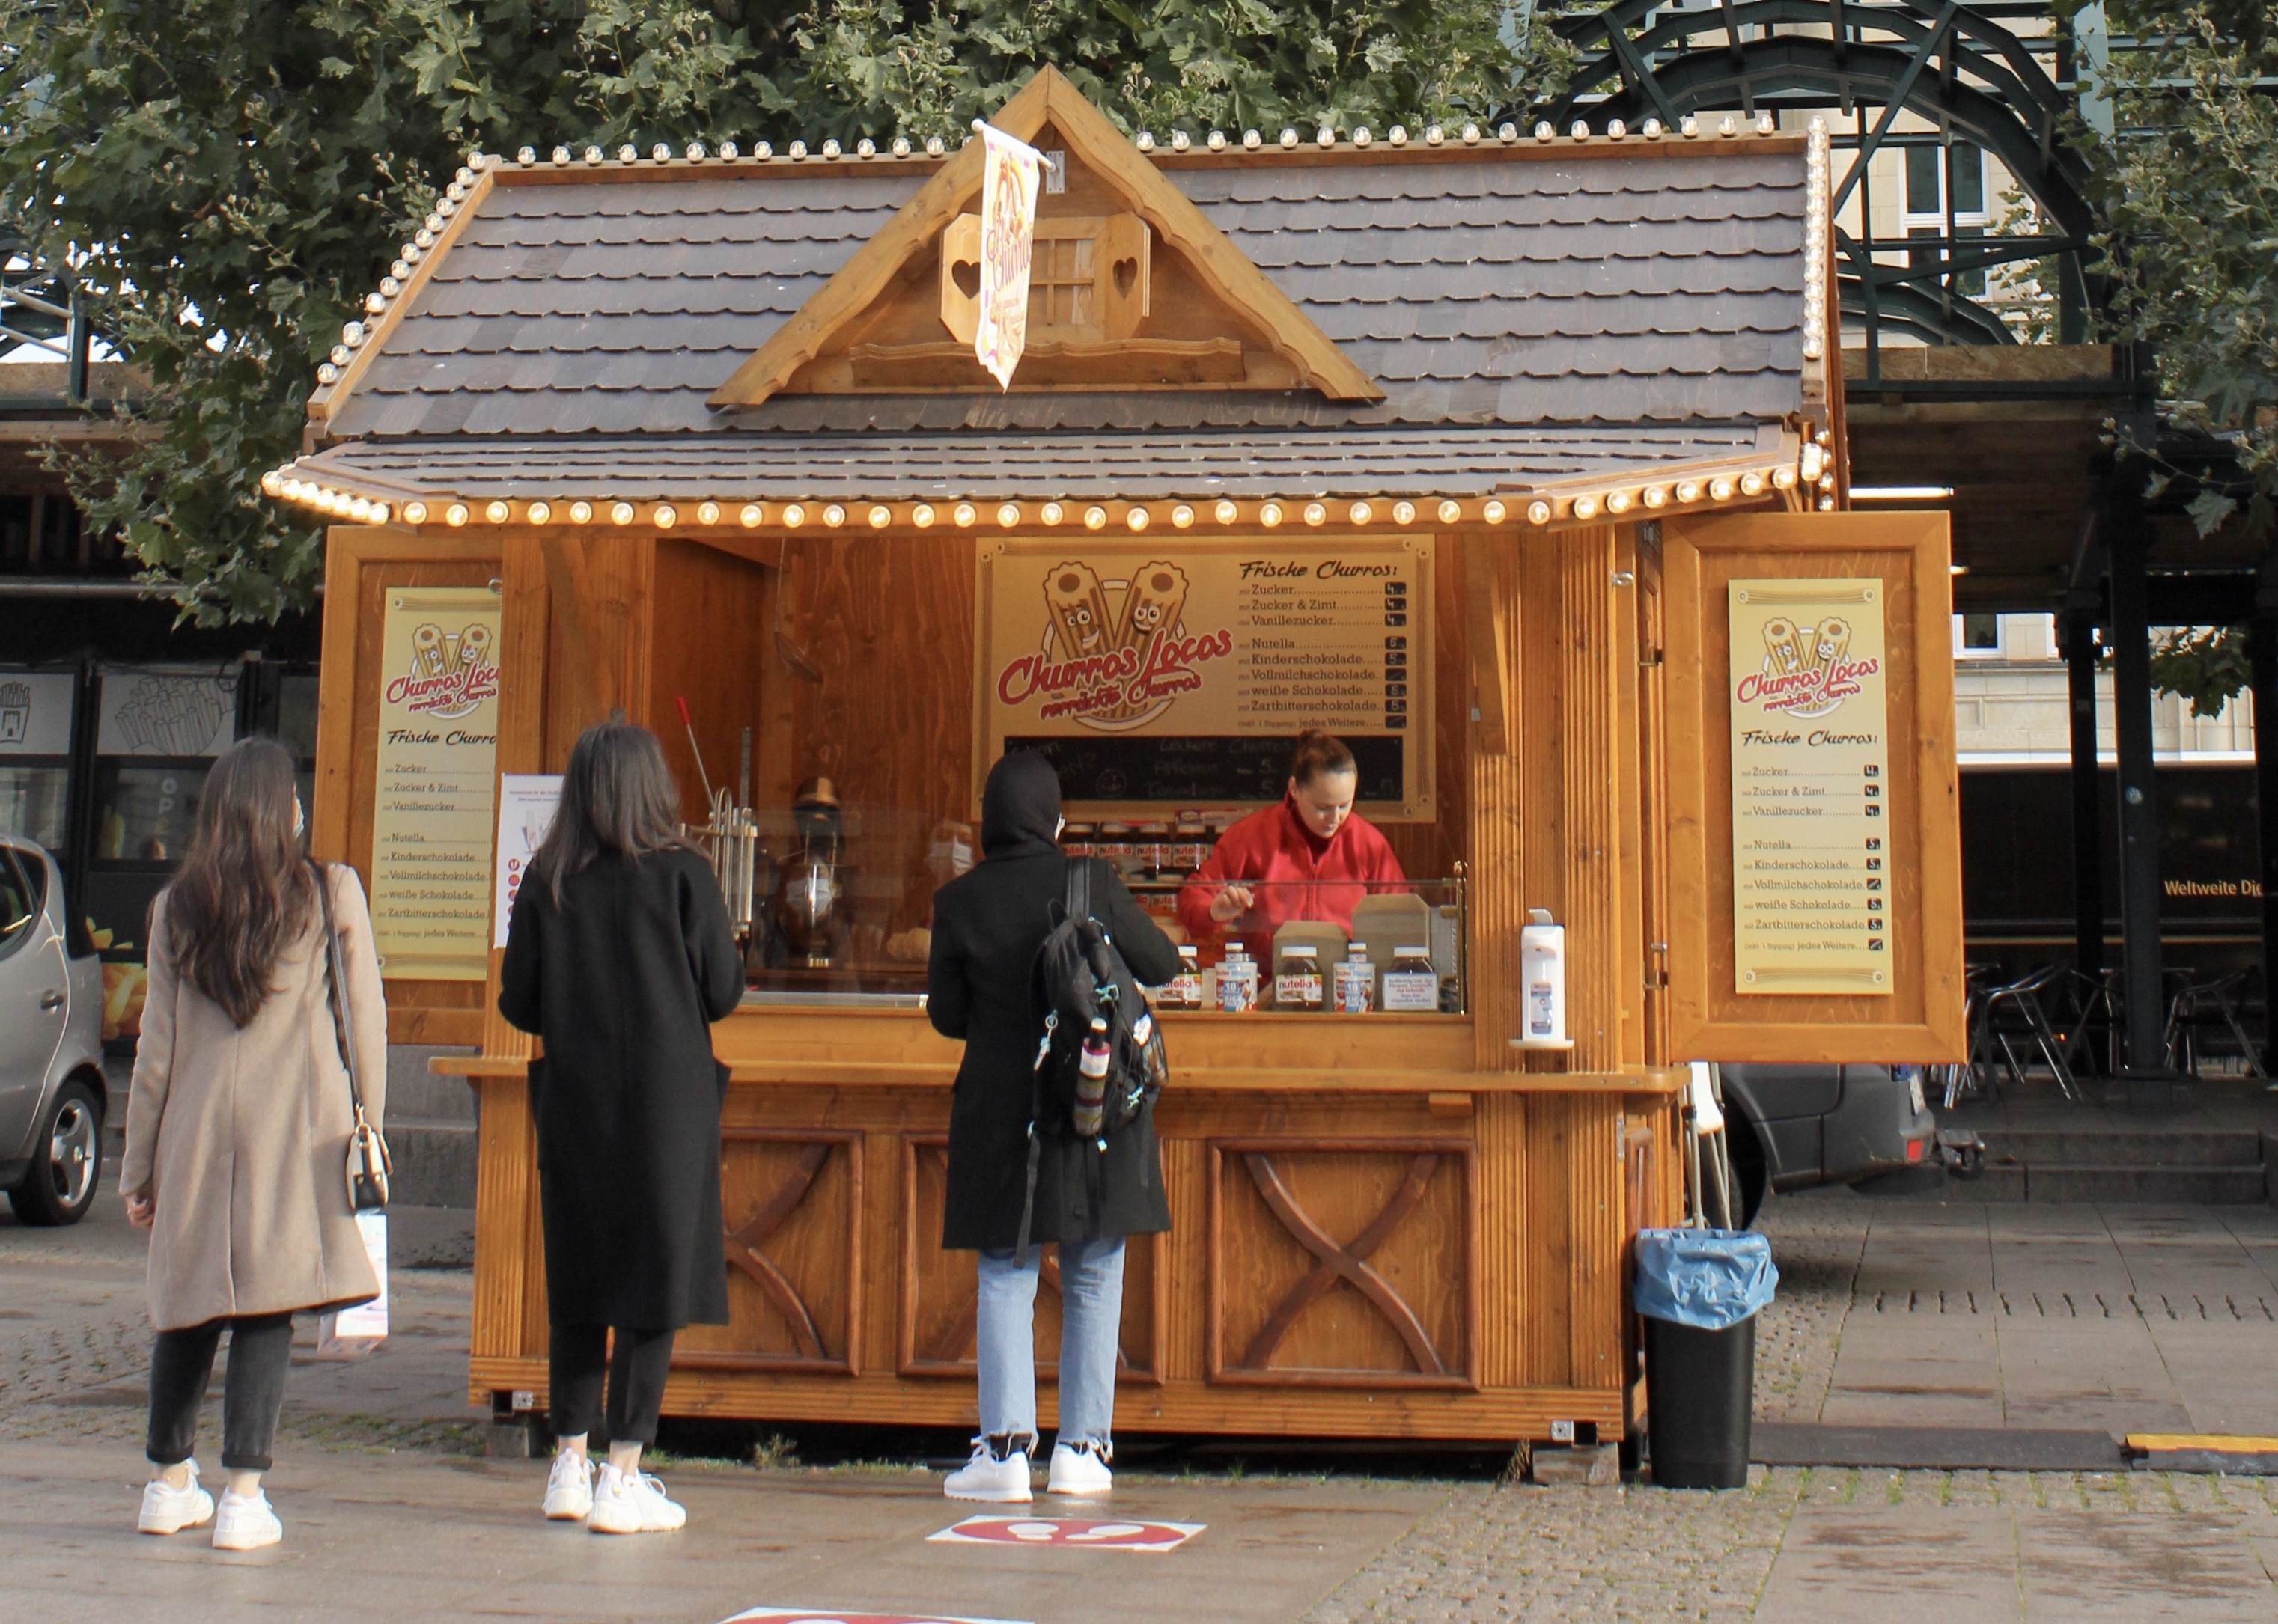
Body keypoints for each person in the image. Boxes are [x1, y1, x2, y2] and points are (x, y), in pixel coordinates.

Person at [121, 737, 387, 1552]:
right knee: (267, 1305)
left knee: (188, 1306)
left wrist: (137, 1168)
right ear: (283, 811)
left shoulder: (176, 907)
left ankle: (167, 1481)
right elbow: (363, 1018)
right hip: (293, 1129)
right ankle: (243, 1492)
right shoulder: (325, 890)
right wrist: (369, 1119)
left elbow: (154, 1051)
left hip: (195, 1132)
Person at [499, 721, 742, 1535]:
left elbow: (517, 1001)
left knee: (580, 1281)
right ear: (651, 788)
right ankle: (624, 1471)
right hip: (668, 1106)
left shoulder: (547, 878)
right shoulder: (683, 874)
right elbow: (723, 990)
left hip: (575, 1100)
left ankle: (566, 1461)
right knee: (653, 1285)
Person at [926, 751, 1181, 1501]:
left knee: (1005, 1272)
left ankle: (1003, 1453)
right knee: (1094, 1269)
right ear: (1056, 821)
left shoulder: (958, 900)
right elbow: (1160, 962)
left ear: (988, 821)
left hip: (1001, 1110)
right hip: (1093, 1100)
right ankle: (1081, 1451)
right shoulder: (1089, 883)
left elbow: (946, 1016)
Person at [1175, 730, 1407, 941]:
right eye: (1323, 807)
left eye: (1345, 805)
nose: (1335, 818)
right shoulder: (1253, 835)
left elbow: (1402, 917)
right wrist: (1214, 912)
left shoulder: (1369, 843)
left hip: (1348, 979)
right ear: (1294, 789)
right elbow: (1191, 900)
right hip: (1268, 981)